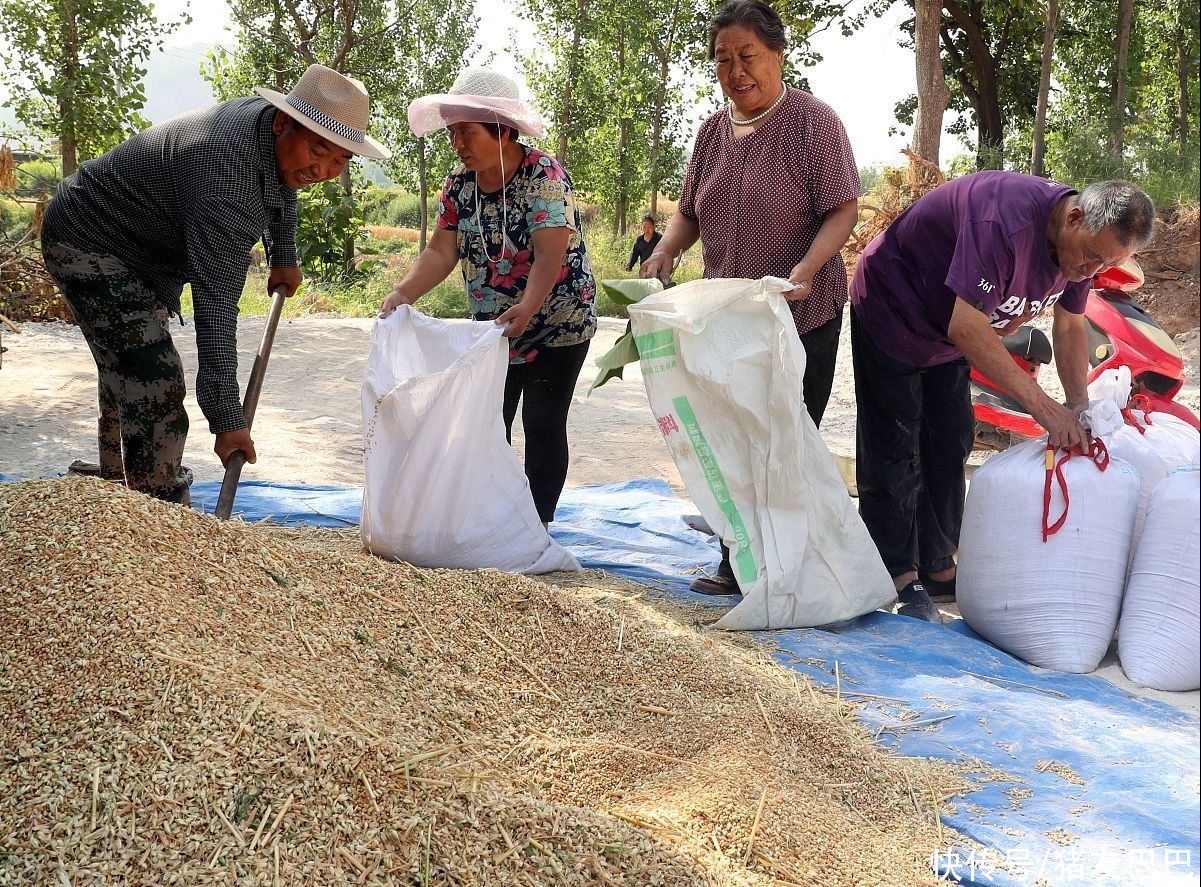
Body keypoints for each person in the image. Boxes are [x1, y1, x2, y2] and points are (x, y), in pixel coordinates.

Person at [40, 65, 390, 504]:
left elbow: (284, 181)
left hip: (144, 250)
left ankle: (118, 493)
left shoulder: (267, 132)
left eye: (340, 159)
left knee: (130, 366)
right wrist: (227, 417)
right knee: (152, 374)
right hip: (90, 236)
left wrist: (284, 256)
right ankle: (159, 512)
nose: (323, 169)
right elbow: (217, 305)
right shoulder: (226, 175)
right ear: (283, 122)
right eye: (319, 150)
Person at [850, 174, 1155, 621]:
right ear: (1073, 216)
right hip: (894, 308)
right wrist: (1044, 408)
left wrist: (1077, 406)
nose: (1089, 271)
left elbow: (1070, 324)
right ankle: (894, 570)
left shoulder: (1082, 248)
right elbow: (966, 324)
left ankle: (936, 563)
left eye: (1103, 264)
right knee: (895, 440)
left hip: (951, 331)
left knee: (951, 435)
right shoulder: (1003, 220)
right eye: (1090, 257)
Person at [640, 0, 861, 594]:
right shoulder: (712, 131)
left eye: (748, 57)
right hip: (730, 314)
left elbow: (842, 207)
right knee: (731, 434)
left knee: (786, 437)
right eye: (723, 60)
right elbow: (689, 212)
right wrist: (665, 251)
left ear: (777, 55)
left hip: (800, 310)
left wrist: (809, 268)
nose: (737, 72)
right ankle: (738, 559)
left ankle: (789, 566)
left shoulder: (812, 121)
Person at [380, 68, 597, 525]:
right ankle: (488, 518)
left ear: (502, 130)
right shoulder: (460, 184)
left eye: (467, 131)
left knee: (541, 423)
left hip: (557, 322)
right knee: (486, 424)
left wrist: (530, 306)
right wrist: (403, 293)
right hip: (495, 330)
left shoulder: (544, 174)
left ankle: (536, 525)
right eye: (453, 131)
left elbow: (549, 254)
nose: (457, 141)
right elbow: (442, 250)